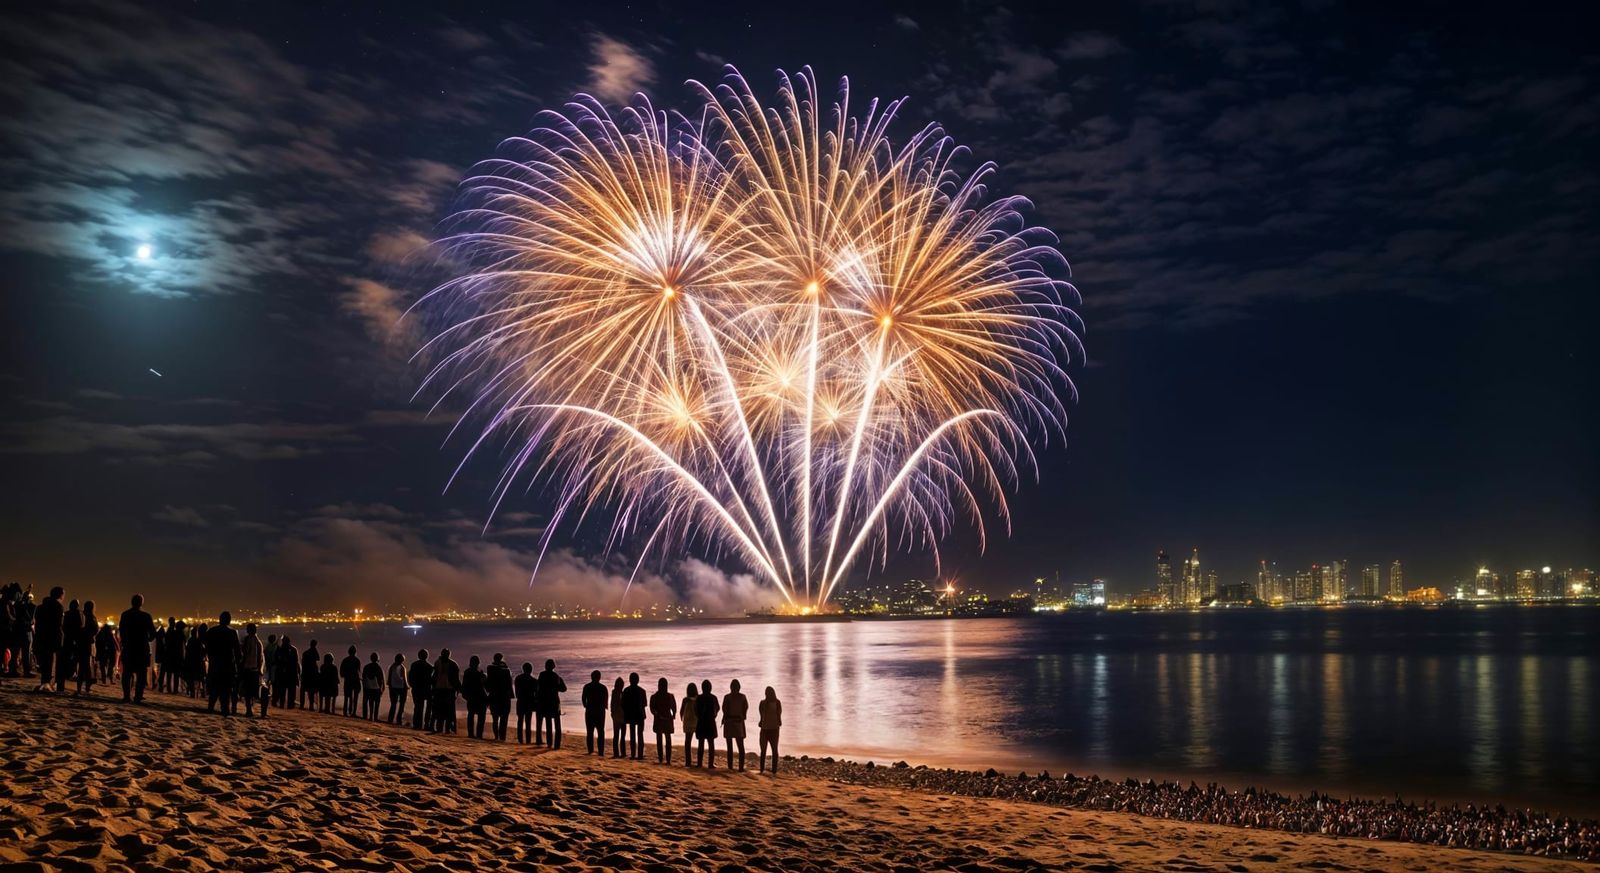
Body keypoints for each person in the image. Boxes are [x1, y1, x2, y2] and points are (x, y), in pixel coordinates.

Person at [117, 594, 156, 703]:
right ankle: (138, 697)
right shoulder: (146, 616)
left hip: (129, 648)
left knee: (127, 673)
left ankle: (126, 696)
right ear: (141, 603)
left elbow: (122, 631)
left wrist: (125, 641)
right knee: (141, 674)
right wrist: (147, 639)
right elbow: (153, 633)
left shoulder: (125, 615)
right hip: (142, 649)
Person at [205, 612, 241, 716]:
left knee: (214, 689)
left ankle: (210, 708)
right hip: (227, 665)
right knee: (226, 690)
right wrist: (238, 666)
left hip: (214, 664)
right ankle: (224, 710)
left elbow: (207, 646)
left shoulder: (212, 631)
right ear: (229, 620)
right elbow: (237, 651)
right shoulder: (232, 632)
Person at [32, 586, 64, 692]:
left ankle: (44, 682)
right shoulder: (58, 607)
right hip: (52, 638)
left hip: (41, 637)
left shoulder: (40, 607)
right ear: (60, 595)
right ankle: (47, 683)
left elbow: (37, 623)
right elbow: (58, 625)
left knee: (44, 661)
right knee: (51, 661)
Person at [535, 659, 566, 749]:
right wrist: (557, 687)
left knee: (548, 722)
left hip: (545, 701)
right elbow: (564, 689)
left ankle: (549, 743)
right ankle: (557, 744)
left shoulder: (542, 675)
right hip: (554, 701)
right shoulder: (556, 676)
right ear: (553, 667)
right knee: (557, 724)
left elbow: (538, 688)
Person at [722, 678, 750, 771]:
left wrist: (725, 717)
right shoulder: (742, 697)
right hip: (738, 722)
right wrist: (743, 716)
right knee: (740, 746)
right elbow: (745, 708)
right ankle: (740, 768)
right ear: (739, 687)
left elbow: (724, 709)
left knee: (730, 747)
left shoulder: (727, 697)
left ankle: (730, 767)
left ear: (731, 687)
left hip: (729, 722)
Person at [430, 648, 460, 733]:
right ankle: (441, 728)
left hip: (448, 689)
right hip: (440, 689)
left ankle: (447, 729)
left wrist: (457, 688)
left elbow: (456, 678)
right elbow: (434, 676)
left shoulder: (452, 664)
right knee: (441, 710)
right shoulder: (439, 663)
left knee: (447, 710)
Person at [240, 623, 265, 718]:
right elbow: (261, 658)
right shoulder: (258, 642)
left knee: (247, 691)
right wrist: (260, 670)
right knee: (252, 691)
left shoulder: (247, 640)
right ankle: (249, 708)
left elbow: (244, 654)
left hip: (248, 669)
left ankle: (249, 709)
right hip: (254, 670)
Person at [649, 677, 677, 764]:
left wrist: (656, 713)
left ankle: (661, 759)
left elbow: (652, 708)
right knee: (667, 739)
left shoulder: (654, 697)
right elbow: (674, 708)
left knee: (660, 739)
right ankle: (667, 760)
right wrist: (673, 715)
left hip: (659, 719)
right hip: (667, 719)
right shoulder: (670, 696)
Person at [486, 653, 513, 741]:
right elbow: (509, 685)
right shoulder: (506, 670)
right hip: (504, 697)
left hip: (494, 697)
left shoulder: (490, 668)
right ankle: (502, 737)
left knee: (495, 719)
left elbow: (488, 685)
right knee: (503, 719)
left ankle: (496, 736)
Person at [581, 670, 608, 755]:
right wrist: (604, 706)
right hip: (600, 712)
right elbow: (606, 700)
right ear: (599, 677)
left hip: (590, 711)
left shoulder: (587, 686)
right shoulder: (603, 687)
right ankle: (601, 751)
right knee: (601, 732)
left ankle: (590, 750)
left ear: (591, 677)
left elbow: (583, 698)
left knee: (590, 732)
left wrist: (586, 706)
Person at [59, 598, 83, 693]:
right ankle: (71, 673)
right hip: (74, 640)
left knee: (67, 659)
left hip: (67, 640)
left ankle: (67, 675)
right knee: (73, 659)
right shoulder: (79, 614)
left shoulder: (66, 614)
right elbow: (80, 626)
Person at [695, 679, 720, 768]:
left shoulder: (699, 698)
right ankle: (710, 764)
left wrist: (699, 716)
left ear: (702, 688)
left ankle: (699, 763)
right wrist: (714, 715)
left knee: (701, 743)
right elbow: (718, 708)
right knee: (711, 744)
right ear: (710, 688)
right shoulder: (713, 697)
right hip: (710, 722)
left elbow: (695, 710)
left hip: (701, 722)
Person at [622, 672, 647, 760]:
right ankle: (640, 755)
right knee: (640, 735)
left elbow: (623, 704)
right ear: (638, 680)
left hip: (631, 715)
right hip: (640, 715)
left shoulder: (626, 690)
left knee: (632, 735)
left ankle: (633, 754)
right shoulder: (642, 691)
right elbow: (644, 704)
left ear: (630, 680)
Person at [758, 686, 782, 774]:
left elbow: (761, 716)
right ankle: (772, 770)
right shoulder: (776, 702)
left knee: (766, 750)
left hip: (767, 729)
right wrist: (778, 721)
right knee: (773, 750)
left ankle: (763, 769)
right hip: (771, 729)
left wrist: (761, 722)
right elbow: (779, 716)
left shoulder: (764, 703)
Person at [462, 655, 488, 739]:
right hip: (480, 697)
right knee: (481, 716)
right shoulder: (479, 673)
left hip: (471, 696)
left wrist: (465, 695)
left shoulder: (467, 672)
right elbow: (484, 686)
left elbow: (464, 685)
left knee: (471, 714)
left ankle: (471, 733)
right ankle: (479, 734)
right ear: (478, 663)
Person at [75, 600, 97, 695]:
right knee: (87, 667)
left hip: (80, 643)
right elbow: (95, 629)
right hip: (87, 644)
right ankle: (87, 687)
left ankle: (79, 688)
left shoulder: (81, 615)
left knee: (81, 667)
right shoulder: (92, 617)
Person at [407, 649, 433, 730]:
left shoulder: (414, 665)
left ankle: (417, 724)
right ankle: (426, 724)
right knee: (428, 708)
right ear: (427, 656)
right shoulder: (430, 667)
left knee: (418, 707)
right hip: (427, 689)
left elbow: (410, 677)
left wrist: (412, 685)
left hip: (417, 689)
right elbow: (431, 680)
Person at [513, 662, 537, 744]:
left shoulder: (518, 678)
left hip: (520, 701)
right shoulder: (533, 680)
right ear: (531, 670)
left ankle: (520, 739)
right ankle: (528, 740)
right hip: (529, 702)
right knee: (528, 722)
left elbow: (516, 692)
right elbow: (536, 693)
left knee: (520, 721)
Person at [273, 635, 299, 709]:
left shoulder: (280, 649)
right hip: (290, 673)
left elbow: (276, 661)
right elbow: (295, 663)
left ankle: (283, 704)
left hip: (283, 673)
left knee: (282, 690)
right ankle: (290, 705)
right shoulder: (293, 649)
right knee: (289, 691)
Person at [184, 623, 207, 698]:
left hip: (192, 661)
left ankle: (193, 692)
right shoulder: (199, 641)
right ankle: (202, 692)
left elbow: (188, 651)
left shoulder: (191, 641)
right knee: (201, 677)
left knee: (191, 678)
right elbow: (202, 651)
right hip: (198, 661)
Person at [340, 645, 362, 717]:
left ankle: (345, 712)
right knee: (355, 697)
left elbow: (341, 673)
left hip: (348, 680)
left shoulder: (345, 660)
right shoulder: (357, 660)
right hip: (355, 680)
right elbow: (358, 671)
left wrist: (346, 675)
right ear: (355, 652)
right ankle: (353, 712)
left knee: (347, 697)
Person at [680, 683, 699, 768]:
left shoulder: (685, 700)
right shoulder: (698, 699)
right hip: (696, 721)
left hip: (687, 721)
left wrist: (682, 719)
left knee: (687, 741)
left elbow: (681, 711)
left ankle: (688, 762)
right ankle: (699, 762)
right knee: (700, 741)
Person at [386, 653, 408, 724]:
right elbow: (404, 679)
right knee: (401, 705)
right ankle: (398, 720)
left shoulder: (392, 667)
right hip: (400, 688)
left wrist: (390, 686)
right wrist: (407, 686)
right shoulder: (402, 667)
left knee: (394, 704)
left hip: (394, 687)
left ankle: (391, 719)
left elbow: (389, 679)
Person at [361, 652, 383, 721]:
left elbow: (363, 678)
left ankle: (366, 716)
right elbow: (381, 680)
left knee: (368, 702)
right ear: (377, 659)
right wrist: (381, 689)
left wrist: (364, 687)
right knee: (376, 703)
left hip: (367, 687)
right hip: (376, 688)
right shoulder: (379, 667)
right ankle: (375, 717)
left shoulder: (366, 667)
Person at [95, 620, 118, 684]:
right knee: (110, 665)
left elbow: (97, 642)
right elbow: (114, 642)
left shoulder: (100, 634)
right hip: (110, 652)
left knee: (102, 665)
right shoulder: (110, 634)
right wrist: (117, 648)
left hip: (102, 652)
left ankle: (104, 679)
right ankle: (109, 678)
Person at [300, 639, 320, 709]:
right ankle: (310, 705)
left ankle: (302, 705)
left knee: (305, 690)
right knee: (310, 690)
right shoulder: (312, 652)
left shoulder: (306, 653)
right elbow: (318, 658)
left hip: (306, 673)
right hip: (311, 673)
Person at [609, 676, 625, 757]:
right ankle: (620, 753)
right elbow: (613, 704)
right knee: (620, 735)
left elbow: (612, 704)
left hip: (619, 715)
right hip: (620, 716)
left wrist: (612, 713)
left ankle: (618, 753)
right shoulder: (619, 693)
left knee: (617, 735)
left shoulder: (616, 692)